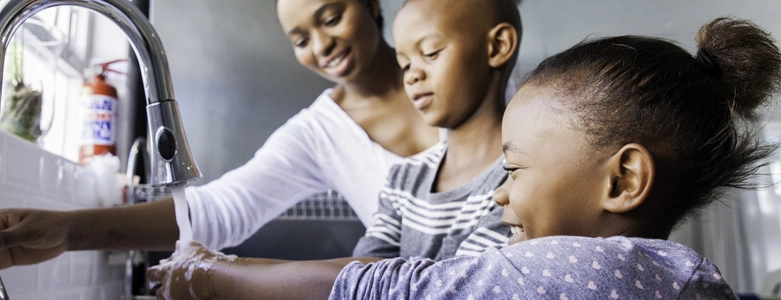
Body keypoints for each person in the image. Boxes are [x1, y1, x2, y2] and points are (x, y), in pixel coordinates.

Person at [146, 17, 781, 300]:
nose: (500, 192)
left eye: (518, 167)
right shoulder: (661, 271)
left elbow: (395, 287)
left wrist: (214, 278)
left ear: (622, 179)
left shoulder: (581, 271)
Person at [0, 0, 440, 269]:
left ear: (372, 6)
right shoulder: (318, 133)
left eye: (331, 16)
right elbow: (220, 209)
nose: (322, 46)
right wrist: (67, 231)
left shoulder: (447, 64)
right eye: (301, 40)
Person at [351, 0, 521, 260]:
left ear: (498, 46)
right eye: (405, 64)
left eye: (430, 53)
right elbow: (359, 276)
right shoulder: (403, 179)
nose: (411, 76)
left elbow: (457, 283)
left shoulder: (520, 179)